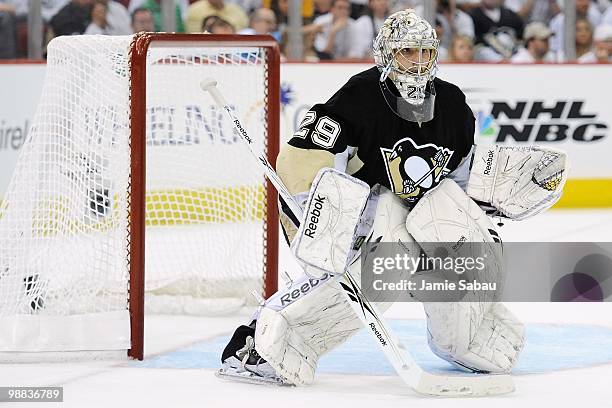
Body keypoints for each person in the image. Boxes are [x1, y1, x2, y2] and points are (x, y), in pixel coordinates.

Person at [218, 9, 537, 386]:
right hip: (363, 210)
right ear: (386, 54)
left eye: (425, 52)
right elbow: (303, 156)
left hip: (421, 208)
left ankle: (464, 338)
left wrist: (492, 205)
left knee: (459, 242)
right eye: (406, 52)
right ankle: (260, 343)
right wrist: (316, 215)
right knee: (387, 264)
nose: (418, 62)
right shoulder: (362, 95)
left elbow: (461, 175)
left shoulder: (452, 105)